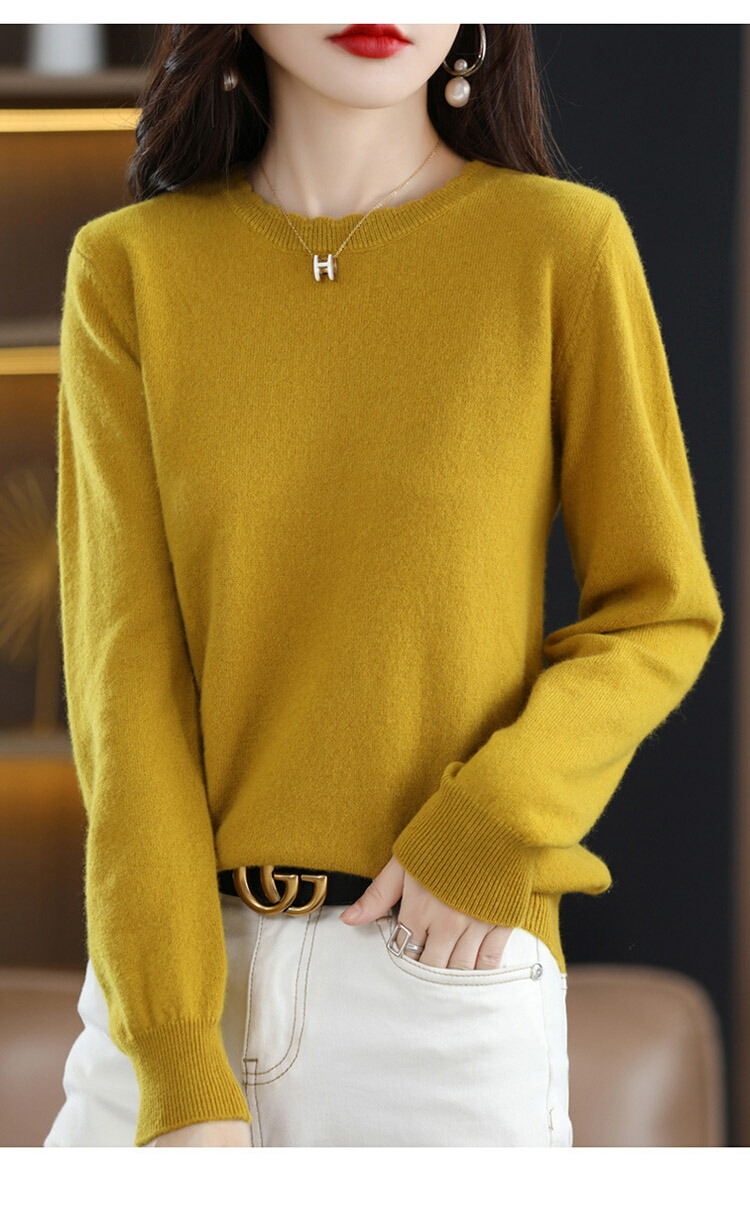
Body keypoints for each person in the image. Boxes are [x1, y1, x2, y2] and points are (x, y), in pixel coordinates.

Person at [43, 23, 724, 1149]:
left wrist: (493, 824)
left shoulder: (561, 247)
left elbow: (660, 607)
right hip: (167, 1000)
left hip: (438, 988)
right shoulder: (127, 269)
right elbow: (127, 688)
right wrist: (176, 1058)